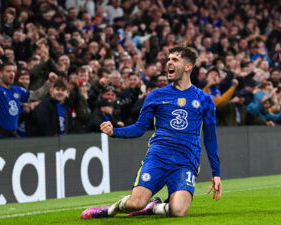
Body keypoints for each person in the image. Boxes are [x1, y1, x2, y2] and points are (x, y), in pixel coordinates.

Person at [81, 46, 222, 219]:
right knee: (136, 203)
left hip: (186, 161)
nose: (169, 62)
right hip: (158, 157)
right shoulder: (156, 95)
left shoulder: (204, 99)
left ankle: (154, 207)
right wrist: (114, 132)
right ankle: (110, 210)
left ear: (188, 66)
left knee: (178, 211)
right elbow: (139, 128)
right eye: (168, 59)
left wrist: (216, 174)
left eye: (175, 59)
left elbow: (210, 138)